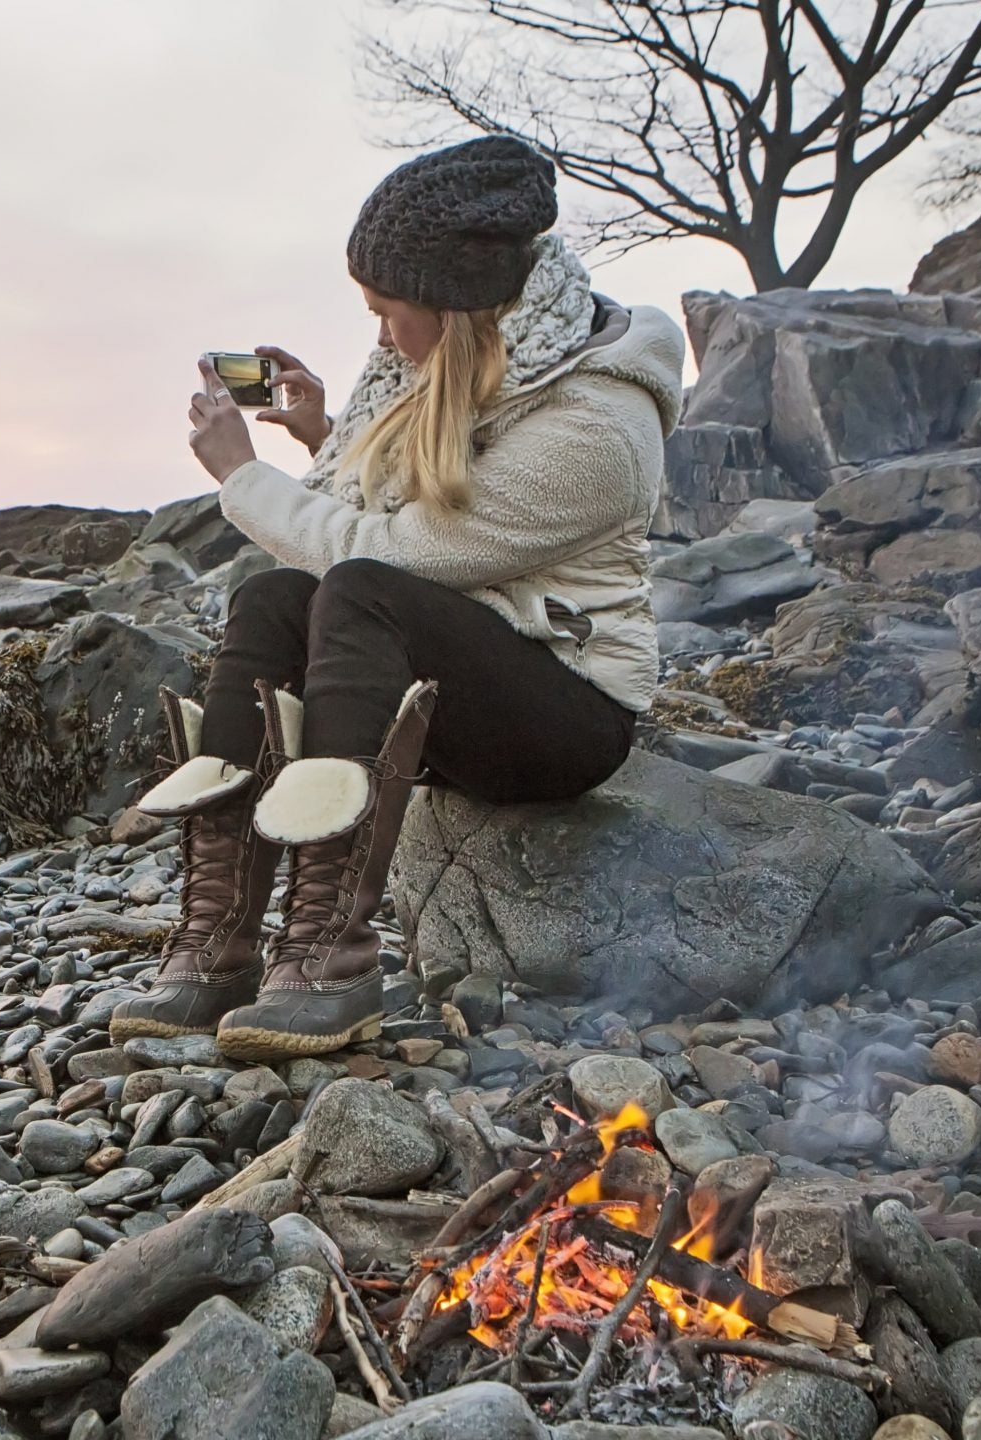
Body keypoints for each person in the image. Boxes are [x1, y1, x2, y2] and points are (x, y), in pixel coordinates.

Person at [109, 135, 682, 1062]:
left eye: (389, 312)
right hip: (450, 678)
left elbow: (397, 556)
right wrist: (324, 436)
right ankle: (218, 940)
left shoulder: (598, 426)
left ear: (456, 306)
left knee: (361, 592)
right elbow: (370, 528)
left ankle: (331, 956)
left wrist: (243, 480)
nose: (380, 334)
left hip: (564, 712)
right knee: (271, 601)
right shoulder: (449, 356)